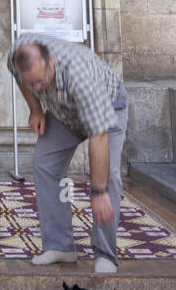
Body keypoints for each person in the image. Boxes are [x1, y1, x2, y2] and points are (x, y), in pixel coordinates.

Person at [7, 33, 128, 274]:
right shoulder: (16, 57)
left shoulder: (79, 75)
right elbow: (20, 78)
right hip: (64, 113)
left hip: (107, 109)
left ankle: (105, 255)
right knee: (44, 164)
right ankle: (60, 245)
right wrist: (35, 109)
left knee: (109, 176)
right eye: (33, 83)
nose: (38, 87)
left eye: (41, 81)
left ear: (50, 60)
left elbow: (98, 136)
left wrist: (98, 191)